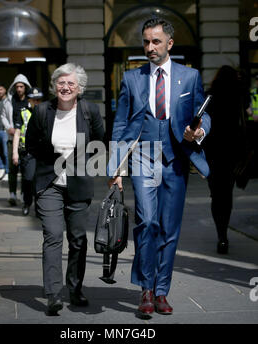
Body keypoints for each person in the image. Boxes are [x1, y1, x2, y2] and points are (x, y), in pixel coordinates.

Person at [107, 18, 211, 316]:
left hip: (176, 160)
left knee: (169, 230)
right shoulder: (131, 78)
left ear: (170, 43)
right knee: (147, 222)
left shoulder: (189, 77)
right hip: (143, 156)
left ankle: (161, 290)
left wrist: (199, 131)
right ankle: (146, 290)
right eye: (146, 42)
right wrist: (116, 167)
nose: (149, 47)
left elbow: (203, 115)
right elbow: (121, 124)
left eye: (155, 41)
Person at [26, 63, 104, 315]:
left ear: (79, 87)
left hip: (79, 184)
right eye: (61, 82)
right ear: (54, 85)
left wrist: (84, 167)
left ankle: (75, 287)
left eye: (71, 83)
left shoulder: (90, 111)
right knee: (53, 236)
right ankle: (53, 294)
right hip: (49, 184)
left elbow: (99, 142)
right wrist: (37, 173)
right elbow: (30, 146)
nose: (66, 87)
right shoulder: (42, 112)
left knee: (78, 239)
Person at [203, 66, 248, 254]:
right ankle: (223, 234)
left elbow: (200, 120)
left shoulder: (210, 96)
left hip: (213, 151)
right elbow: (246, 124)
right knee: (226, 195)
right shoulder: (239, 97)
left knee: (216, 194)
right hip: (232, 151)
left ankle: (221, 233)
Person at [12, 87, 43, 216]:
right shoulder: (22, 112)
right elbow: (17, 133)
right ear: (29, 99)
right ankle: (27, 202)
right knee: (28, 179)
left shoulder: (47, 111)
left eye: (38, 100)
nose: (36, 102)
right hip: (27, 152)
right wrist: (15, 152)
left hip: (43, 152)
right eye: (33, 100)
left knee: (40, 181)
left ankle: (39, 206)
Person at [7, 74, 32, 206]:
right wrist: (8, 127)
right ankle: (12, 193)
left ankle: (24, 193)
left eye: (21, 86)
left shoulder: (29, 101)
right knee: (12, 168)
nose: (19, 89)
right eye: (17, 86)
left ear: (26, 87)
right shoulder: (10, 100)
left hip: (26, 140)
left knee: (25, 169)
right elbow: (3, 116)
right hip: (12, 137)